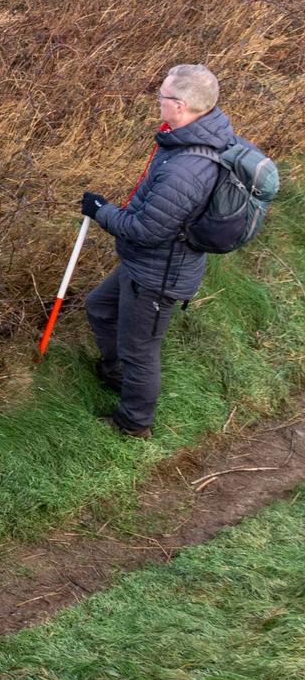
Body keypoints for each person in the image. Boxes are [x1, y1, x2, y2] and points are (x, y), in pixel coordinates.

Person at [77, 64, 235, 438]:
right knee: (99, 307)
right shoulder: (195, 137)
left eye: (162, 97)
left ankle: (134, 423)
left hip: (156, 275)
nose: (158, 103)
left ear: (179, 106)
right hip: (147, 263)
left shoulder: (185, 169)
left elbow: (146, 229)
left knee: (141, 351)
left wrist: (101, 211)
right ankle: (116, 374)